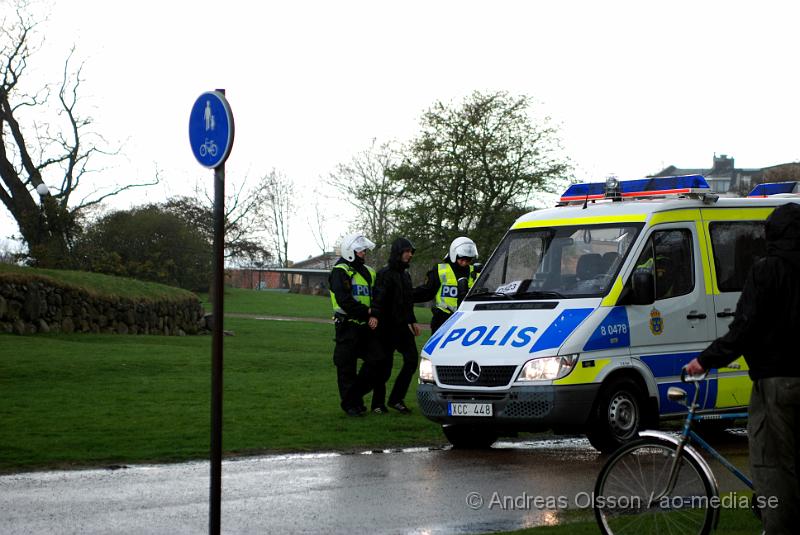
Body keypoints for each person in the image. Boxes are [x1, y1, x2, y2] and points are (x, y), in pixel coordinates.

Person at [685, 202, 800, 535]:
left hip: (775, 381)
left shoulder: (766, 270)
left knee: (773, 465)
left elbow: (745, 328)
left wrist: (706, 359)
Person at [329, 233, 380, 417]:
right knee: (346, 367)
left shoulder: (368, 271)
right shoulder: (340, 271)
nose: (364, 253)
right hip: (347, 326)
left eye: (364, 250)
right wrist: (367, 313)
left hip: (366, 327)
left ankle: (352, 398)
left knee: (377, 363)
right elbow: (344, 300)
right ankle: (352, 406)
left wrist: (374, 313)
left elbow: (376, 296)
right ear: (350, 251)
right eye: (360, 250)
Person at [371, 237, 421, 414]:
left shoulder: (405, 275)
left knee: (412, 360)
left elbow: (407, 302)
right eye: (407, 251)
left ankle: (396, 399)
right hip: (385, 328)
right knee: (384, 367)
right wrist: (375, 316)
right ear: (398, 253)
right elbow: (378, 298)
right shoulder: (384, 274)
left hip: (401, 327)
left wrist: (412, 321)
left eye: (411, 252)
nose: (409, 255)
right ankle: (377, 404)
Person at [414, 237, 479, 333]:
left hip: (467, 320)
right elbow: (427, 292)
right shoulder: (440, 270)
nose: (464, 263)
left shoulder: (476, 272)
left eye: (468, 260)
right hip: (442, 319)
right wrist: (404, 294)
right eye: (462, 259)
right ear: (454, 255)